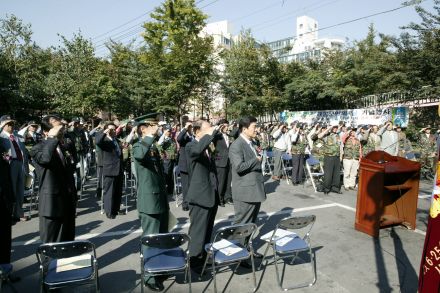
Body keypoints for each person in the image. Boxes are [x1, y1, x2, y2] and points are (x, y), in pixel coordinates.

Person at [132, 118, 169, 292]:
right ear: (143, 129)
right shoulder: (139, 145)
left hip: (159, 198)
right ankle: (149, 275)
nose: (157, 128)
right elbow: (139, 156)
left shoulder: (152, 146)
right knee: (150, 238)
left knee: (161, 236)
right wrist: (149, 136)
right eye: (153, 126)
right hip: (149, 201)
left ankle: (159, 268)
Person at [30, 121, 77, 243]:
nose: (61, 131)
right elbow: (45, 159)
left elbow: (71, 165)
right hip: (51, 203)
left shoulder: (63, 147)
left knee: (67, 240)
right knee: (51, 244)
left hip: (67, 198)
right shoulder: (37, 148)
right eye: (58, 129)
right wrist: (51, 138)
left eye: (62, 129)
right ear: (46, 131)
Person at [229, 116, 266, 267]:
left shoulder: (252, 142)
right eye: (254, 127)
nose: (256, 129)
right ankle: (237, 255)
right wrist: (256, 160)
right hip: (244, 191)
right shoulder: (236, 145)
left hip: (254, 189)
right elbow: (239, 167)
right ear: (244, 129)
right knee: (242, 224)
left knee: (251, 224)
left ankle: (247, 249)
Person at [185, 120, 219, 272]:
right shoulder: (191, 145)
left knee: (207, 230)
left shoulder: (206, 146)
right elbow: (196, 151)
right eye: (207, 129)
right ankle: (194, 262)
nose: (211, 131)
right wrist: (210, 134)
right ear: (197, 132)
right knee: (198, 232)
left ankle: (204, 258)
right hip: (199, 196)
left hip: (210, 194)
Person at [0, 115, 29, 222]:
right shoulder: (1, 137)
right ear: (3, 125)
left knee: (20, 189)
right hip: (9, 165)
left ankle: (19, 213)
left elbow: (24, 151)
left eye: (12, 123)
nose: (12, 126)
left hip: (20, 163)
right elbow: (2, 152)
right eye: (9, 124)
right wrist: (7, 158)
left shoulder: (17, 136)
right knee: (11, 190)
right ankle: (10, 213)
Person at [95, 122, 124, 219]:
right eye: (111, 129)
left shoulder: (116, 140)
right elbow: (98, 141)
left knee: (118, 191)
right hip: (109, 169)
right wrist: (105, 132)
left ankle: (116, 209)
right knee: (109, 191)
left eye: (114, 129)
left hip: (118, 168)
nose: (113, 131)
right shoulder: (105, 140)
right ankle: (109, 211)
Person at [213, 119, 233, 206]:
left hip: (228, 160)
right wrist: (217, 128)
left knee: (228, 180)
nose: (227, 127)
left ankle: (227, 197)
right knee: (221, 181)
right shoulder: (217, 136)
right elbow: (212, 137)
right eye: (225, 126)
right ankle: (219, 199)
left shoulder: (228, 135)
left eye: (227, 126)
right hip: (220, 161)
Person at [318, 124, 342, 194]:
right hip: (329, 157)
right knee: (328, 174)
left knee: (336, 173)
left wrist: (340, 156)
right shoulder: (326, 135)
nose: (335, 129)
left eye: (336, 128)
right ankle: (326, 188)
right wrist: (328, 128)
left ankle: (335, 188)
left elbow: (340, 146)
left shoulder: (337, 135)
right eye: (334, 127)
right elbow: (319, 136)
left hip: (336, 156)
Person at [176, 121, 194, 211]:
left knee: (192, 185)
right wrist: (185, 128)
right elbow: (179, 139)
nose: (191, 127)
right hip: (185, 165)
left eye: (191, 126)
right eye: (189, 126)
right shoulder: (183, 136)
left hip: (193, 165)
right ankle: (185, 203)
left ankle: (192, 201)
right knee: (186, 186)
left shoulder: (192, 136)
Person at [158, 125, 178, 195]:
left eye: (170, 131)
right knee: (167, 175)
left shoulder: (171, 139)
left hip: (173, 159)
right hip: (167, 160)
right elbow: (159, 144)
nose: (170, 132)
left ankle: (170, 190)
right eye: (168, 131)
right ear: (165, 131)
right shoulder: (163, 139)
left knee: (172, 175)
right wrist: (164, 134)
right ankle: (165, 190)